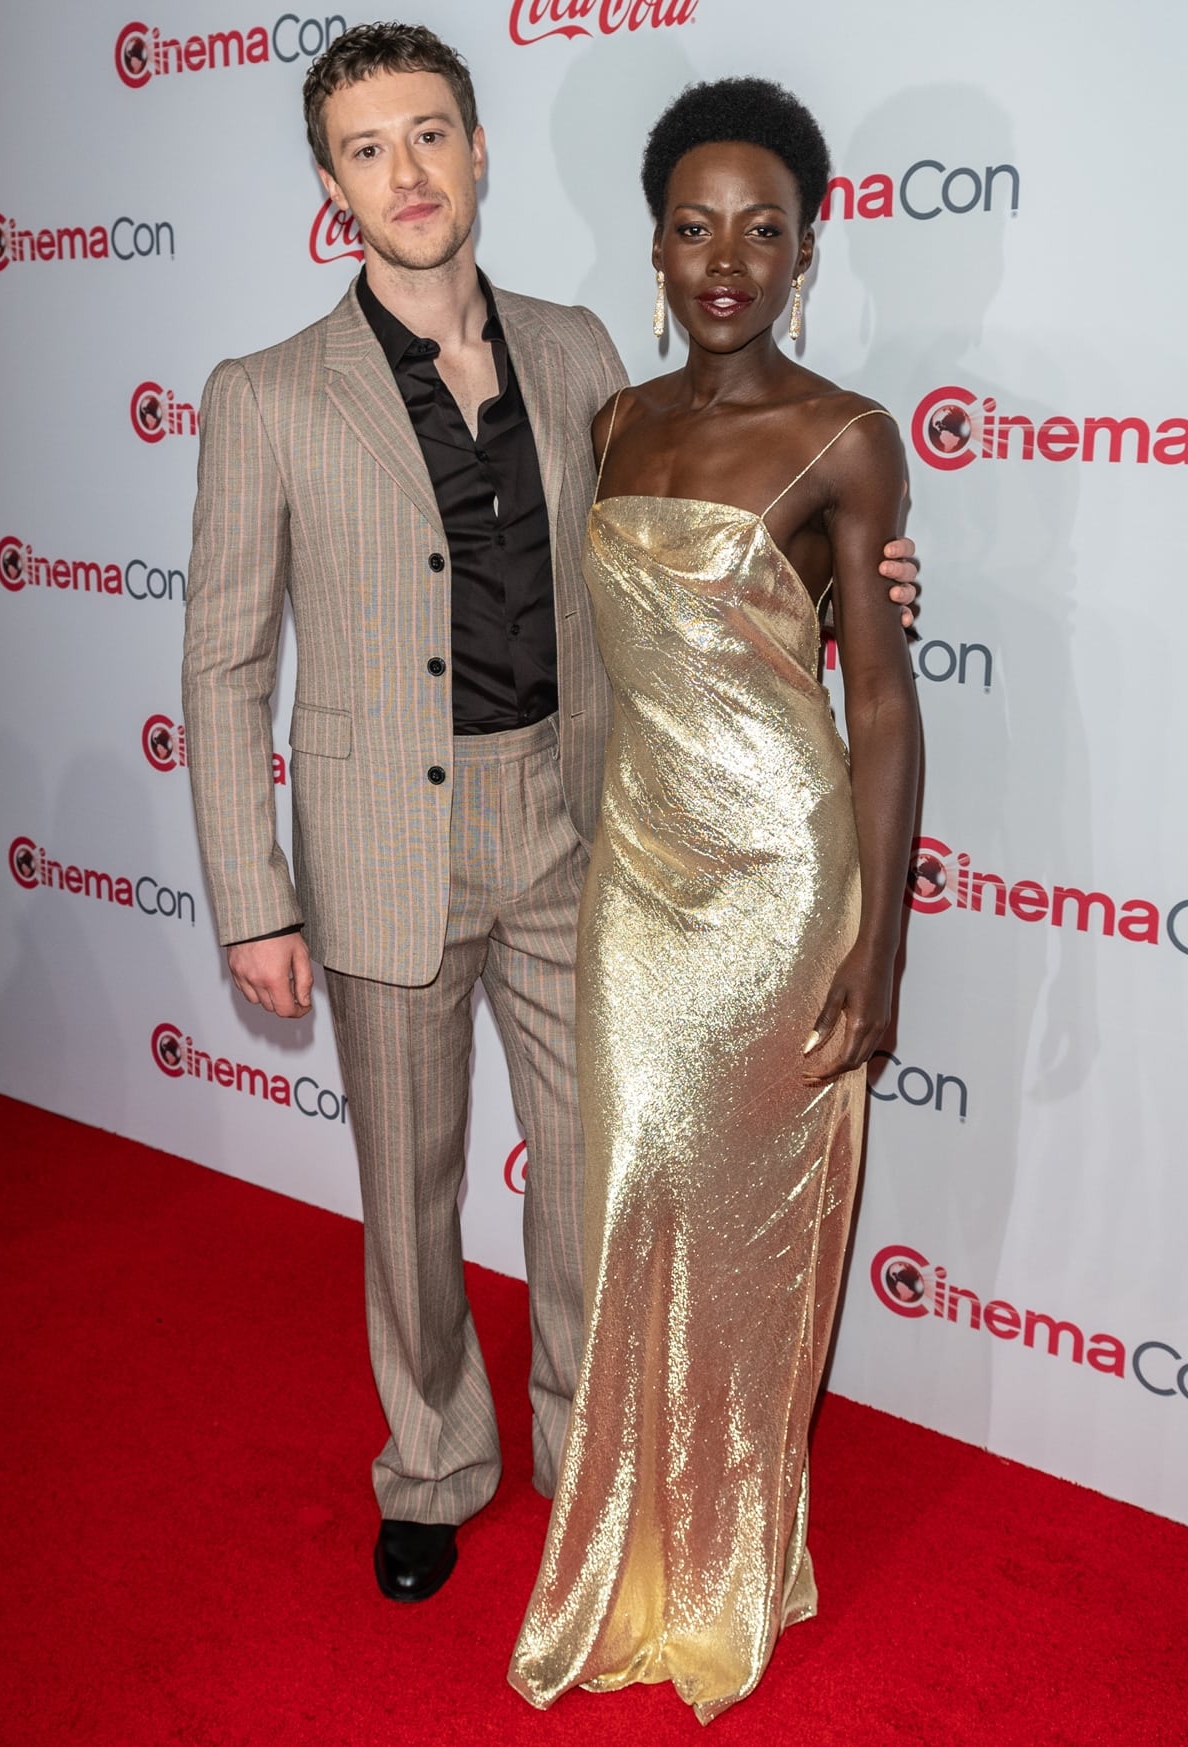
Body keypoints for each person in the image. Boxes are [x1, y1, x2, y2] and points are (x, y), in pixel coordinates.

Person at [182, 24, 919, 1611]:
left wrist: (848, 590)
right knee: (413, 1188)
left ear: (478, 149)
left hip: (585, 833)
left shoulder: (583, 353)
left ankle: (598, 1452)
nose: (409, 173)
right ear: (331, 187)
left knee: (602, 1172)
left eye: (432, 134)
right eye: (370, 150)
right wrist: (252, 897)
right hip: (385, 850)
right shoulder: (265, 396)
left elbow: (683, 547)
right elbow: (224, 660)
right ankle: (436, 1461)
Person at [509, 78, 921, 1722]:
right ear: (657, 244)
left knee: (751, 1246)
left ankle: (729, 1560)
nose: (724, 258)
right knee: (635, 1215)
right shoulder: (618, 424)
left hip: (778, 886)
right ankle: (631, 1543)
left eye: (762, 228)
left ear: (806, 246)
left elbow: (881, 708)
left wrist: (878, 950)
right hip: (639, 881)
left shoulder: (843, 435)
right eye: (694, 227)